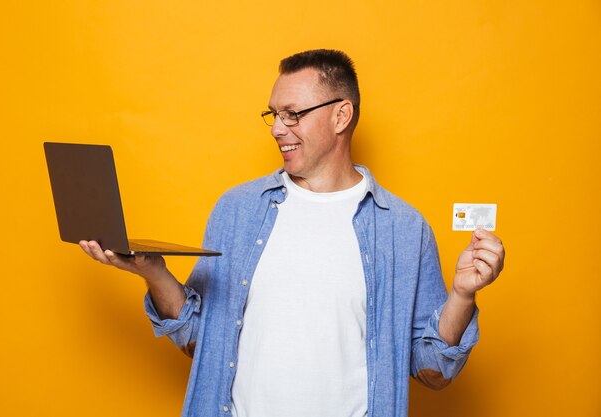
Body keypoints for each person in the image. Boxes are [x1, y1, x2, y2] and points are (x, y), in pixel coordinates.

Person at [79, 49, 505, 417]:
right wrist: (153, 272)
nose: (277, 128)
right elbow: (199, 342)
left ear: (342, 115)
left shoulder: (403, 229)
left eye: (293, 114)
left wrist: (463, 295)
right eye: (274, 115)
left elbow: (433, 371)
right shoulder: (237, 210)